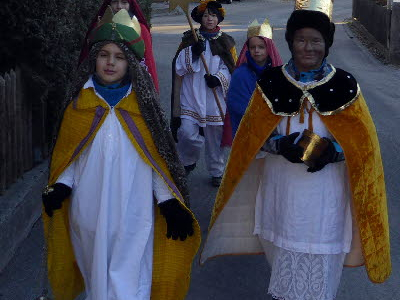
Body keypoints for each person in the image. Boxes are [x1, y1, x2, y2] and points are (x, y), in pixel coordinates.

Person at [200, 4, 391, 300]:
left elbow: (364, 146)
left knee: (320, 278)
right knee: (283, 267)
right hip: (282, 193)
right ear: (290, 42)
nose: (308, 47)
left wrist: (334, 151)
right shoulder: (271, 83)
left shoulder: (345, 85)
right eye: (301, 39)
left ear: (327, 44)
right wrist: (279, 145)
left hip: (326, 198)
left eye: (316, 40)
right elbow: (250, 137)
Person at [42, 9, 200, 300]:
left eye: (119, 56)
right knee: (96, 279)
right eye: (104, 54)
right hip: (88, 211)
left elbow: (156, 160)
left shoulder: (143, 108)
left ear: (131, 63)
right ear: (94, 59)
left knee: (130, 283)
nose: (111, 62)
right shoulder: (79, 104)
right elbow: (71, 155)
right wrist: (61, 185)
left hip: (134, 211)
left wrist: (168, 201)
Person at [170, 0, 236, 187]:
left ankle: (216, 170)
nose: (209, 18)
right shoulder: (189, 39)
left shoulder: (226, 41)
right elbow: (179, 68)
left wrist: (219, 78)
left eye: (213, 15)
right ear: (200, 18)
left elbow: (231, 68)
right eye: (206, 15)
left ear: (218, 18)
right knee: (187, 132)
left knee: (215, 137)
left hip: (215, 98)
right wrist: (194, 53)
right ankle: (188, 161)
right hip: (192, 95)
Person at [78, 0, 159, 91]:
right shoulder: (100, 27)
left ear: (130, 5)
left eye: (124, 2)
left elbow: (148, 62)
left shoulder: (141, 29)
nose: (119, 6)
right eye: (114, 2)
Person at [226, 19, 282, 137]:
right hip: (248, 133)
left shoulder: (278, 73)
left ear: (269, 49)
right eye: (253, 47)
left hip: (275, 132)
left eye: (261, 47)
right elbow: (236, 105)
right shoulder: (240, 74)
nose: (257, 51)